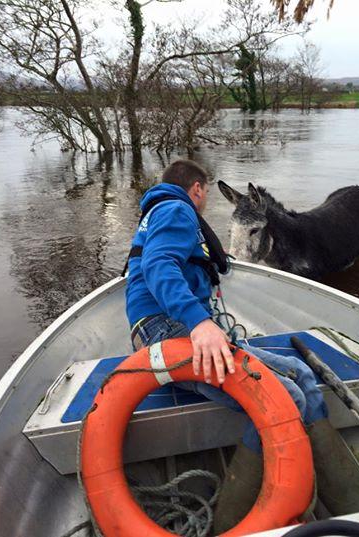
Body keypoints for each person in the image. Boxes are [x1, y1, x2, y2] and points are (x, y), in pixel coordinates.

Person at [125, 159, 329, 532]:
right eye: (204, 194)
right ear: (198, 189)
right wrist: (200, 322)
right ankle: (234, 517)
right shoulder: (175, 209)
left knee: (300, 372)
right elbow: (157, 264)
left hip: (174, 324)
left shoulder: (159, 212)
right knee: (285, 397)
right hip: (166, 331)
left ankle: (334, 479)